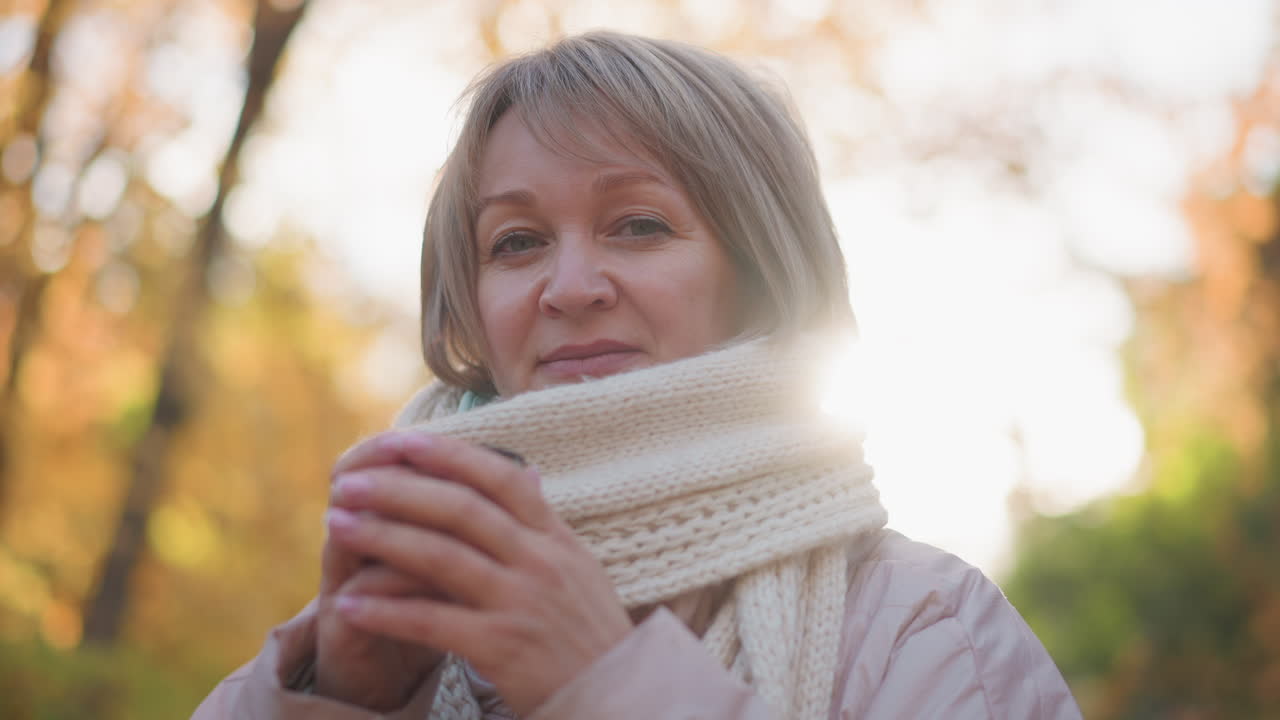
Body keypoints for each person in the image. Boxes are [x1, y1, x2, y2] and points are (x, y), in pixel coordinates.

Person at [193, 31, 1082, 720]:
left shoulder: (920, 625)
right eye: (518, 242)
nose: (571, 288)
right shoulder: (344, 648)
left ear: (759, 276)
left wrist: (607, 685)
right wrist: (348, 702)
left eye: (639, 226)